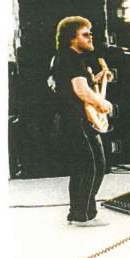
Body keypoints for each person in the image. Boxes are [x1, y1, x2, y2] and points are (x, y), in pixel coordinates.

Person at [49, 16, 112, 226]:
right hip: (75, 120)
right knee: (89, 167)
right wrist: (102, 104)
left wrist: (97, 79)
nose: (90, 37)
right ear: (71, 39)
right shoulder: (71, 59)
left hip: (74, 119)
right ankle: (81, 216)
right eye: (85, 34)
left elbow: (76, 85)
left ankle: (82, 213)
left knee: (88, 166)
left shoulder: (66, 58)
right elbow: (81, 90)